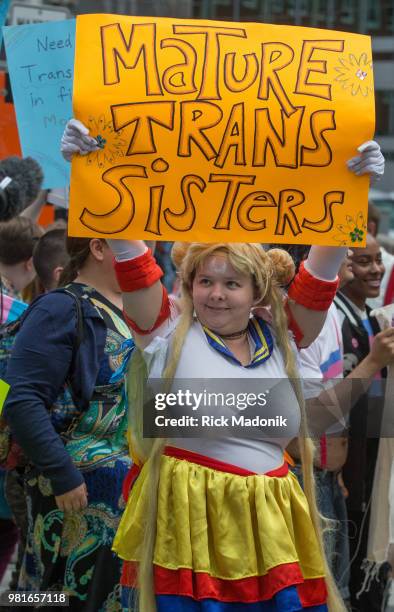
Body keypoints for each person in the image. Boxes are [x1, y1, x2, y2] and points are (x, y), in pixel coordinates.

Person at [61, 122, 384, 611]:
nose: (216, 293)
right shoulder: (168, 331)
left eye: (232, 283)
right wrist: (94, 169)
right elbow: (132, 259)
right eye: (205, 281)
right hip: (187, 523)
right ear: (189, 285)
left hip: (270, 520)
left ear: (258, 293)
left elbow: (320, 274)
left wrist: (350, 187)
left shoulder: (282, 338)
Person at [3, 237, 134, 610]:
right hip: (73, 494)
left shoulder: (137, 309)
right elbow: (23, 398)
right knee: (53, 596)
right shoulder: (59, 307)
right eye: (134, 244)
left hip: (123, 497)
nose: (147, 252)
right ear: (98, 248)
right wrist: (62, 473)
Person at [334, 233, 393, 611]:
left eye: (377, 260)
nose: (375, 269)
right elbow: (330, 402)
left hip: (373, 460)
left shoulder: (374, 317)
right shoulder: (337, 319)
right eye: (361, 261)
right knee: (351, 569)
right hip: (349, 466)